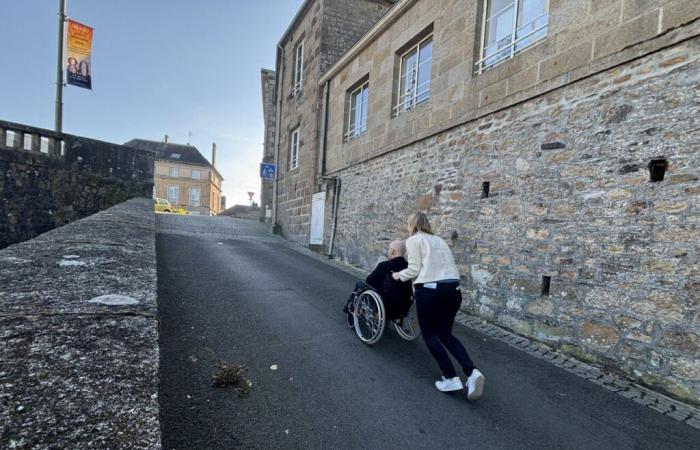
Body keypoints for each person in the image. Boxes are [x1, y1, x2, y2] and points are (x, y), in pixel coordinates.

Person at [392, 212, 485, 400]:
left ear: (412, 225)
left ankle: (450, 376)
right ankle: (472, 372)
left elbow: (414, 270)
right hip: (453, 290)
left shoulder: (413, 240)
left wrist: (398, 275)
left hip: (430, 291)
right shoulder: (439, 240)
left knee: (429, 334)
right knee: (446, 334)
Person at [344, 240, 413, 326]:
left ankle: (351, 309)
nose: (388, 251)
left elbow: (369, 280)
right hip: (402, 306)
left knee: (360, 284)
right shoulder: (409, 268)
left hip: (385, 304)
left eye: (389, 249)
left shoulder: (384, 265)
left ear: (392, 251)